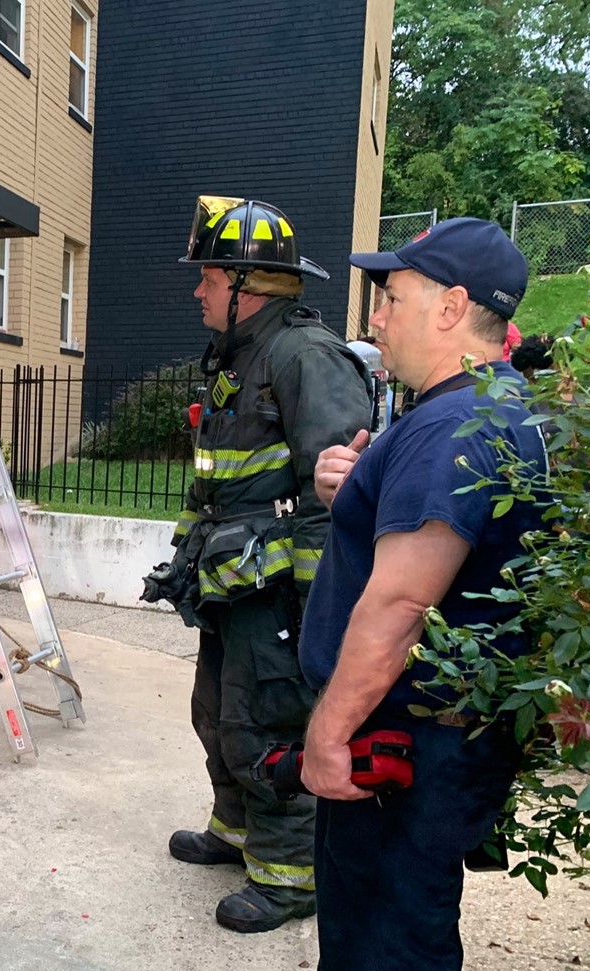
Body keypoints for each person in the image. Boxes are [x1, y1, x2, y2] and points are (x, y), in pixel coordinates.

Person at [278, 217, 548, 971]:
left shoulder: (452, 427)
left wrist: (326, 737)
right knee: (383, 917)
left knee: (394, 922)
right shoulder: (483, 406)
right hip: (436, 733)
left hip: (407, 742)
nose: (378, 317)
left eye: (393, 298)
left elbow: (397, 603)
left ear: (452, 307)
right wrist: (355, 481)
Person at [155, 197, 374, 933]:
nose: (197, 293)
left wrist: (314, 607)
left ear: (245, 283)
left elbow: (338, 495)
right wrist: (184, 555)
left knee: (269, 723)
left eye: (207, 279)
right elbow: (216, 478)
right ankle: (236, 833)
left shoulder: (304, 357)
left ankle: (290, 878)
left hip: (275, 593)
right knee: (216, 714)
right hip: (229, 582)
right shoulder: (240, 355)